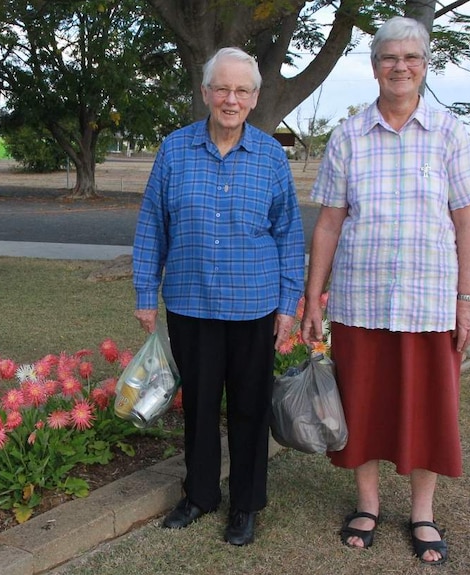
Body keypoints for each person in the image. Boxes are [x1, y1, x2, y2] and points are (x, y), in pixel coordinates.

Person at [300, 16, 470, 566]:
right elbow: (330, 224)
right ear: (374, 66)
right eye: (390, 57)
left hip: (430, 302)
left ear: (424, 66)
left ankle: (422, 512)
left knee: (429, 409)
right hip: (360, 300)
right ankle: (367, 504)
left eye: (411, 57)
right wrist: (315, 297)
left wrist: (469, 299)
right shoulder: (348, 136)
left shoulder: (449, 132)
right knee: (360, 406)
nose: (400, 66)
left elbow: (468, 226)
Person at [132, 47, 305, 546]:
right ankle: (201, 494)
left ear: (253, 99)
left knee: (249, 410)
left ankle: (246, 505)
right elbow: (152, 225)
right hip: (192, 305)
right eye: (222, 89)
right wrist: (147, 292)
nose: (232, 99)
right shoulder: (174, 150)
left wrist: (288, 305)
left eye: (242, 90)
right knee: (201, 407)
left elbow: (288, 235)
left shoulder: (271, 156)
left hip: (255, 308)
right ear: (206, 93)